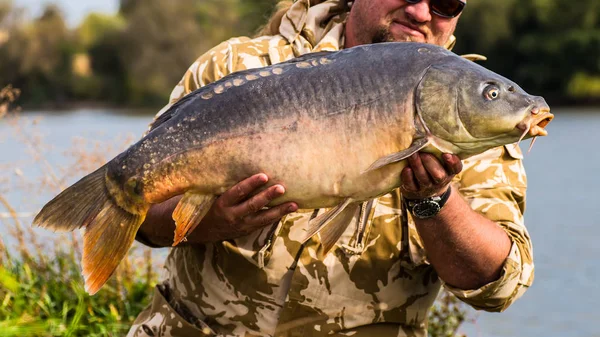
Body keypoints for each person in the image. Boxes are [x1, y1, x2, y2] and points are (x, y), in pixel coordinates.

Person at [128, 0, 534, 336]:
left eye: (445, 3)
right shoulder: (237, 67)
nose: (422, 12)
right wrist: (208, 223)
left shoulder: (468, 111)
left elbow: (498, 286)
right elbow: (139, 210)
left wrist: (435, 201)